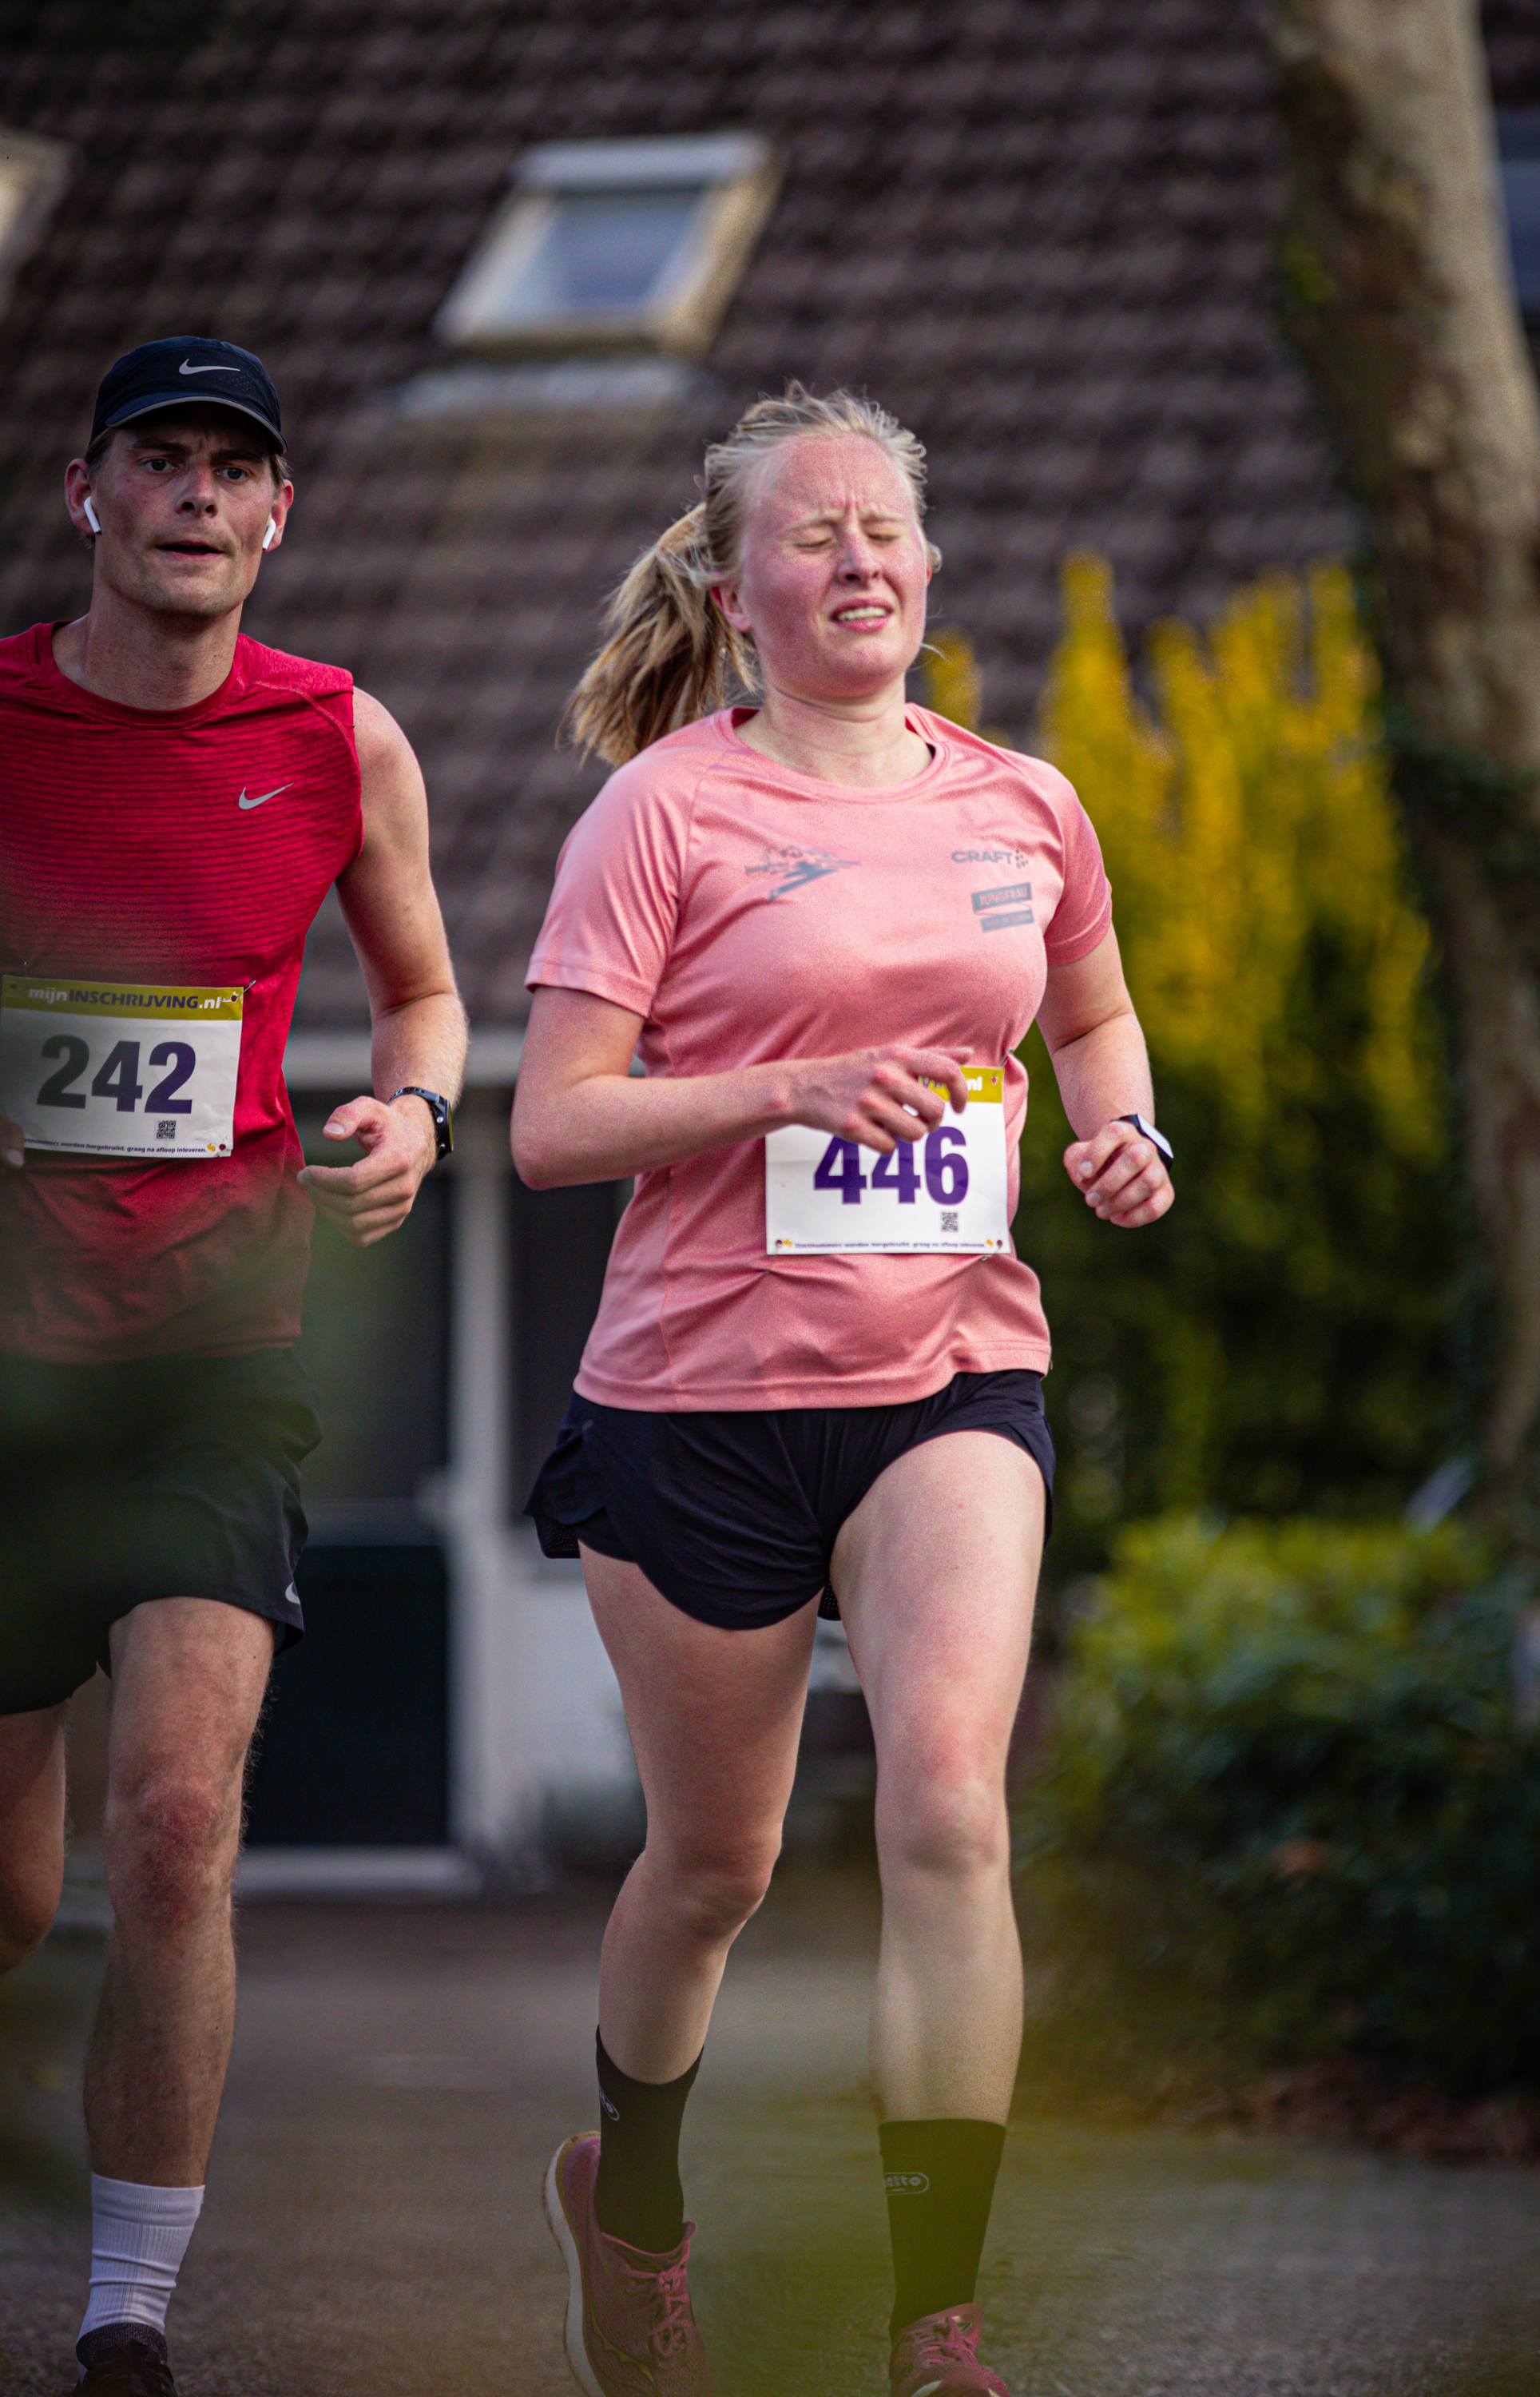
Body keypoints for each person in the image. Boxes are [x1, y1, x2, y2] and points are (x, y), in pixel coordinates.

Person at [513, 385, 1173, 2397]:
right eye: (813, 536)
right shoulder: (665, 813)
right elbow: (550, 1130)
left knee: (953, 1813)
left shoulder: (1020, 803)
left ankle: (934, 2321)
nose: (859, 561)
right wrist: (788, 1087)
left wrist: (1120, 1130)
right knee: (715, 1866)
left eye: (885, 529)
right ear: (736, 591)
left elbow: (1092, 1006)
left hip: (948, 1371)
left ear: (930, 569)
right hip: (696, 1404)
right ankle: (631, 2206)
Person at [0, 336, 466, 2397]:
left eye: (234, 469)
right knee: (10, 1890)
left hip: (215, 1349)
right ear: (85, 495)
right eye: (159, 461)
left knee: (179, 1823)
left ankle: (124, 2320)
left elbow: (429, 991)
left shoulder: (340, 738)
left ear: (281, 516)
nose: (197, 496)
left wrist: (420, 1114)